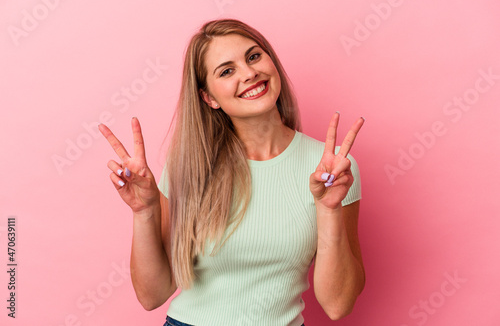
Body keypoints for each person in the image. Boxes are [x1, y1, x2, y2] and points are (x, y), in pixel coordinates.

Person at [98, 18, 365, 326]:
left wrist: (329, 209)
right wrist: (145, 212)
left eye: (253, 56)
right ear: (209, 97)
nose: (250, 73)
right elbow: (152, 295)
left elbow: (338, 305)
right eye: (227, 71)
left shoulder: (333, 169)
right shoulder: (191, 167)